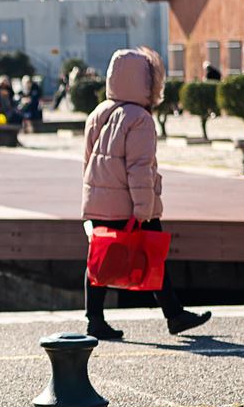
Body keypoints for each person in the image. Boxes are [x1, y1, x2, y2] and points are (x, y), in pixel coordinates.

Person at [81, 47, 212, 340]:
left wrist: (92, 198)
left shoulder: (99, 112)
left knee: (98, 260)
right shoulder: (139, 118)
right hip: (130, 204)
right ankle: (174, 315)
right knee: (153, 255)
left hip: (99, 201)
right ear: (148, 82)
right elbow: (139, 168)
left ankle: (95, 319)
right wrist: (144, 208)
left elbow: (88, 159)